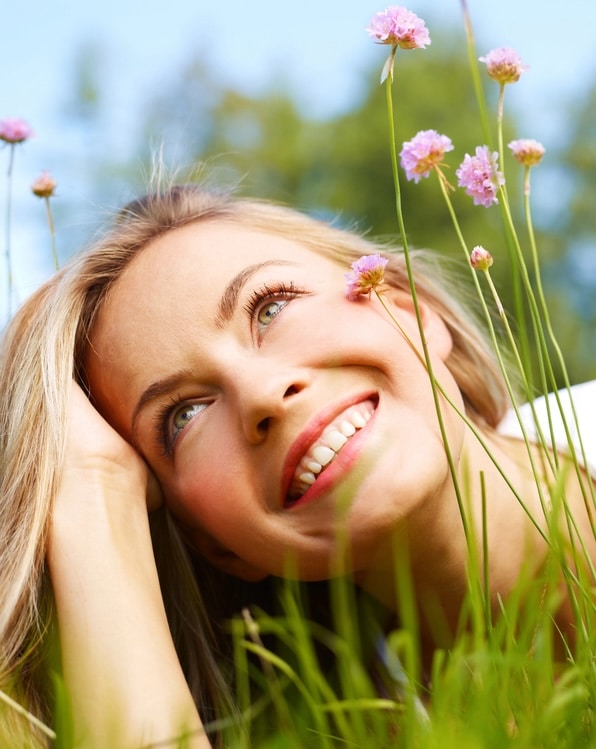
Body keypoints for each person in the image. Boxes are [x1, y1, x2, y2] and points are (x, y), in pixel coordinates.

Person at [1, 182, 594, 747]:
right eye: (182, 415)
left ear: (411, 310)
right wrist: (90, 491)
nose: (260, 394)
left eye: (270, 308)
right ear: (215, 543)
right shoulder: (344, 721)